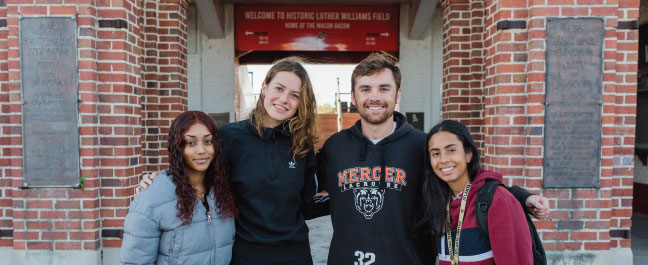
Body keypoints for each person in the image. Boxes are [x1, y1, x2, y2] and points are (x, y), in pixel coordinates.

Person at [316, 53, 548, 264]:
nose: (374, 97)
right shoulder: (335, 147)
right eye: (365, 89)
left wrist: (519, 196)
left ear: (398, 94)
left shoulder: (422, 145)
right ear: (354, 97)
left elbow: (469, 183)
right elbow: (303, 190)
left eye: (384, 88)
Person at [137, 57, 324, 265]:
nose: (284, 99)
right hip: (244, 254)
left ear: (300, 102)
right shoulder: (229, 137)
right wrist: (160, 180)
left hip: (295, 255)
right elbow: (196, 171)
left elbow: (307, 204)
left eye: (294, 95)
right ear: (264, 87)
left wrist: (347, 198)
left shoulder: (302, 145)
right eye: (279, 89)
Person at [120, 111, 238, 265]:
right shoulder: (152, 197)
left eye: (208, 141)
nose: (201, 150)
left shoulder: (222, 191)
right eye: (191, 143)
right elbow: (134, 261)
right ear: (177, 147)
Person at [421, 120, 532, 264]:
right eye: (435, 153)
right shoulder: (437, 203)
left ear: (469, 154)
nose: (443, 160)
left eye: (451, 150)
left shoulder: (498, 201)